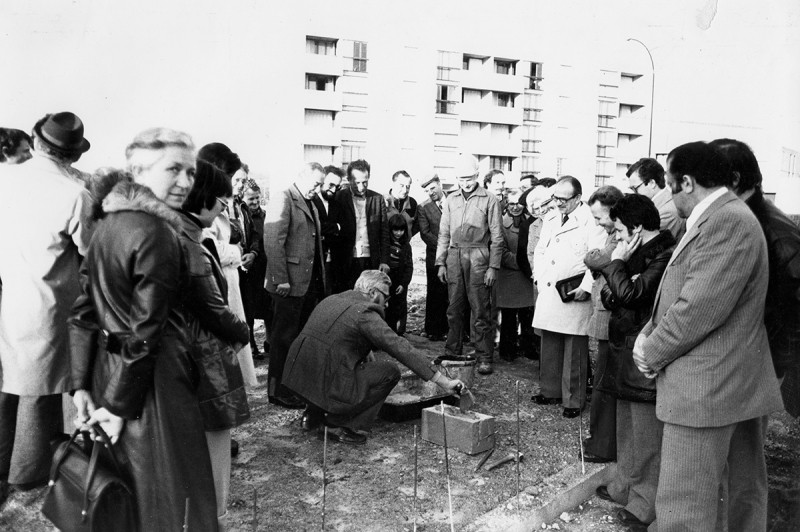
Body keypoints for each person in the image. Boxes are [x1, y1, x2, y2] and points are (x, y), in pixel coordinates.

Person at [70, 128, 219, 531]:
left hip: (111, 376)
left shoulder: (106, 225)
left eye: (190, 171)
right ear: (137, 171)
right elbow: (146, 331)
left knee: (133, 496)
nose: (186, 182)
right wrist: (119, 406)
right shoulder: (157, 232)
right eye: (173, 169)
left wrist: (82, 385)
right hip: (153, 386)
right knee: (171, 499)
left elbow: (83, 313)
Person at [633, 141, 783, 532]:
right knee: (735, 499)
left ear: (686, 182)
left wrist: (651, 351)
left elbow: (697, 308)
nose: (666, 194)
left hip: (706, 389)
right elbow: (686, 291)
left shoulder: (725, 221)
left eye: (667, 183)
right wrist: (649, 331)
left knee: (684, 509)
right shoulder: (724, 215)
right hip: (728, 384)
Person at [0, 112, 94, 503]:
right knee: (46, 392)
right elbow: (92, 254)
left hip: (11, 297)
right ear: (71, 156)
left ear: (37, 143)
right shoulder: (74, 193)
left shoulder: (6, 180)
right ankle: (32, 469)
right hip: (53, 305)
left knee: (12, 386)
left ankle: (11, 467)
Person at [282, 270, 464, 444]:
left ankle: (313, 413)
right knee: (390, 372)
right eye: (385, 297)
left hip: (296, 379)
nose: (386, 304)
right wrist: (443, 381)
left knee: (337, 360)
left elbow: (339, 340)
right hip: (325, 381)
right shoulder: (365, 312)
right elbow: (400, 347)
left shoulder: (333, 299)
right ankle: (339, 425)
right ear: (371, 292)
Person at [592, 194, 675, 529]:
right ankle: (624, 485)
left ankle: (644, 505)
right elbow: (611, 296)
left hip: (642, 353)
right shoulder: (637, 253)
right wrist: (620, 275)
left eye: (623, 231)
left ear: (639, 228)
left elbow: (629, 295)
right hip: (622, 347)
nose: (620, 238)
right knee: (626, 425)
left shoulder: (664, 255)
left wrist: (616, 265)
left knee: (646, 435)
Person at [178, 160, 251, 531]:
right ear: (204, 197)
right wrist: (242, 333)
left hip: (188, 359)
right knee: (213, 449)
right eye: (222, 202)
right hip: (204, 360)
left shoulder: (184, 234)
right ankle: (213, 520)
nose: (224, 209)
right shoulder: (191, 242)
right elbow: (213, 308)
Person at [710, 138, 800, 418]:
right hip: (747, 355)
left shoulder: (776, 233)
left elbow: (793, 313)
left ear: (734, 179)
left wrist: (776, 368)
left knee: (743, 443)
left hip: (761, 360)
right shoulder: (744, 216)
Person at [531, 176, 606, 418]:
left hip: (574, 290)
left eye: (564, 199)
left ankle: (573, 400)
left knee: (574, 347)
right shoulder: (551, 217)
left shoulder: (591, 222)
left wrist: (586, 285)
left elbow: (597, 256)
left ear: (577, 198)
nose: (558, 203)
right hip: (550, 289)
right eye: (555, 198)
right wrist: (539, 277)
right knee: (550, 342)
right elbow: (540, 250)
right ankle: (550, 391)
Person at [264, 162, 326, 409]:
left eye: (321, 184)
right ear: (302, 177)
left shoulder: (310, 201)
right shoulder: (284, 198)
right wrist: (281, 279)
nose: (318, 188)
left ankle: (292, 387)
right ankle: (276, 391)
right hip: (287, 285)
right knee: (282, 339)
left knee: (297, 339)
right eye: (316, 183)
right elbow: (272, 241)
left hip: (306, 283)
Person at [198, 143, 259, 391]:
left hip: (230, 275)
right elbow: (208, 245)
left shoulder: (231, 203)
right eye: (233, 178)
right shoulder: (203, 201)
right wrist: (237, 252)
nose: (238, 184)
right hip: (217, 277)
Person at [436, 155, 504, 374]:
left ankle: (484, 356)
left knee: (481, 310)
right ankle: (453, 352)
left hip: (479, 257)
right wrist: (441, 262)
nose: (465, 182)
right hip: (454, 256)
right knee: (454, 309)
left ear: (477, 175)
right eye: (461, 178)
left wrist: (493, 266)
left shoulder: (490, 199)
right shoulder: (450, 199)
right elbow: (443, 233)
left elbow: (497, 236)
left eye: (469, 178)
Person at [582, 185, 624, 463]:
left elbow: (598, 258)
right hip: (605, 313)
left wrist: (593, 257)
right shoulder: (612, 234)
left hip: (610, 316)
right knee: (603, 380)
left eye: (599, 217)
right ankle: (600, 439)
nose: (597, 222)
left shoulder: (618, 236)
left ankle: (602, 445)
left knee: (605, 382)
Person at [330, 159, 390, 293]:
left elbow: (384, 232)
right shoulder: (339, 197)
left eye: (365, 182)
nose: (361, 187)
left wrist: (384, 260)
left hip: (371, 261)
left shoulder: (377, 199)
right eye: (357, 183)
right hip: (346, 260)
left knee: (369, 296)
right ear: (349, 180)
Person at [496, 189, 535, 360]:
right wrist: (522, 262)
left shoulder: (531, 223)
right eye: (511, 203)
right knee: (509, 316)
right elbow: (501, 252)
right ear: (506, 204)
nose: (515, 207)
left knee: (527, 315)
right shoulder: (500, 225)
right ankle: (508, 350)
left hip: (527, 276)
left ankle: (529, 348)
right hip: (510, 275)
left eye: (518, 203)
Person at [242, 179, 272, 359]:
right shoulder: (243, 217)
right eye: (250, 199)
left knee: (269, 307)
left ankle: (269, 342)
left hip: (264, 267)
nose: (254, 202)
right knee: (249, 309)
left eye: (257, 198)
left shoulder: (266, 215)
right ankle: (251, 344)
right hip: (248, 269)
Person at [417, 172, 449, 341]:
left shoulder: (453, 200)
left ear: (440, 184)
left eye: (433, 188)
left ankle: (451, 329)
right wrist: (444, 247)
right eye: (427, 191)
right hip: (435, 256)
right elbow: (425, 233)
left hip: (455, 255)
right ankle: (433, 330)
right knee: (435, 292)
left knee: (452, 293)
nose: (431, 193)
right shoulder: (423, 207)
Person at [627, 158, 685, 241]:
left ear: (652, 183)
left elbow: (649, 246)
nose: (634, 193)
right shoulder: (658, 206)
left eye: (635, 188)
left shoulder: (667, 212)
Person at [313, 165, 345, 296]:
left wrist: (332, 227)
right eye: (331, 185)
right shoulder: (311, 201)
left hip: (333, 261)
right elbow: (317, 226)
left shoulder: (337, 204)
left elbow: (344, 227)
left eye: (337, 187)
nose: (333, 190)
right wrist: (335, 227)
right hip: (316, 259)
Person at [385, 214, 413, 335]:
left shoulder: (406, 246)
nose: (398, 233)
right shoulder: (385, 245)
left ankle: (398, 333)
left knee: (399, 307)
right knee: (387, 306)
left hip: (399, 279)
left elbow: (409, 267)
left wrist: (403, 283)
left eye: (401, 230)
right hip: (387, 278)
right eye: (395, 230)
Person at [385, 170, 419, 237]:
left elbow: (417, 225)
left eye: (408, 187)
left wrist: (407, 237)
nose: (405, 190)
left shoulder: (413, 203)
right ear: (393, 184)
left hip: (404, 245)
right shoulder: (383, 202)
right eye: (401, 186)